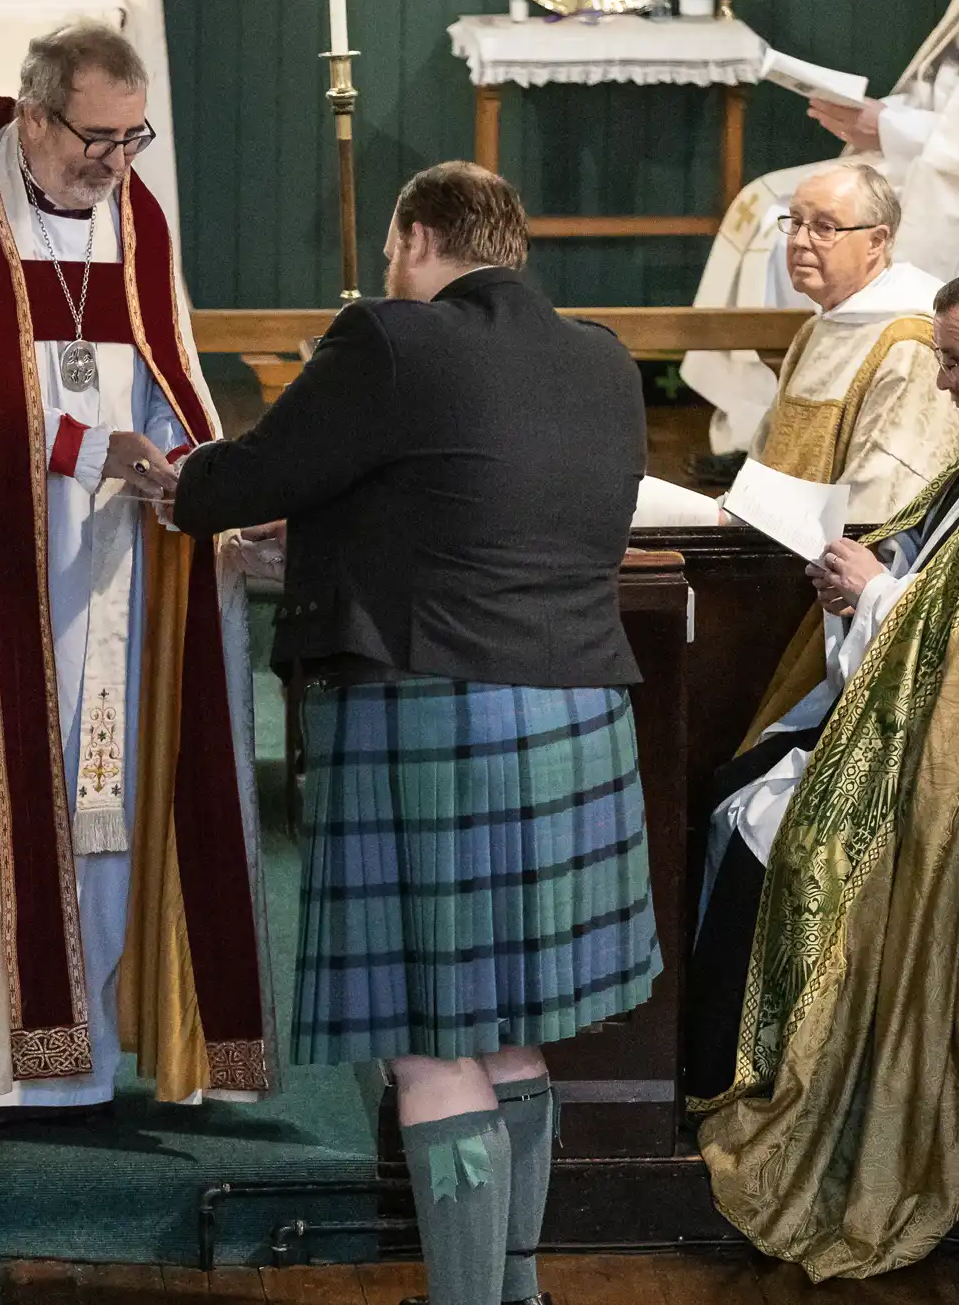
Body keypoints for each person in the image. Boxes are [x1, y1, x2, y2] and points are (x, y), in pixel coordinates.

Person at [172, 163, 662, 1305]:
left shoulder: (391, 338)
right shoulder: (599, 357)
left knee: (431, 1046)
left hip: (432, 715)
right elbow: (476, 506)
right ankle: (516, 1290)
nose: (390, 268)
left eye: (396, 246)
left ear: (420, 235)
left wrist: (173, 476)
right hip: (579, 714)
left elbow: (245, 478)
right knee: (513, 1036)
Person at [0, 21, 274, 1131]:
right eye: (96, 137)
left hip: (114, 562)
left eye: (131, 136)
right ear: (36, 115)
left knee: (111, 793)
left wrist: (188, 472)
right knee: (10, 789)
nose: (114, 161)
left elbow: (166, 376)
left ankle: (87, 1048)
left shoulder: (134, 213)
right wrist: (92, 450)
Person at [686, 263, 959, 1279]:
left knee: (795, 846)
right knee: (736, 795)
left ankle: (806, 1093)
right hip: (890, 708)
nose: (941, 383)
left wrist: (877, 597)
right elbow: (932, 566)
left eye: (954, 363)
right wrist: (865, 578)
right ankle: (722, 1066)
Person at [682, 0, 959, 453]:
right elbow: (947, 88)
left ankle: (818, 420)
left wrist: (891, 127)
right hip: (936, 153)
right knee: (765, 201)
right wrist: (882, 118)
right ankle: (758, 420)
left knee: (800, 224)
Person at [636, 165, 959, 527]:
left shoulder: (908, 345)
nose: (800, 241)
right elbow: (767, 461)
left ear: (877, 241)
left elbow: (884, 505)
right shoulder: (816, 330)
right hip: (777, 546)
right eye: (795, 221)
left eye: (824, 227)